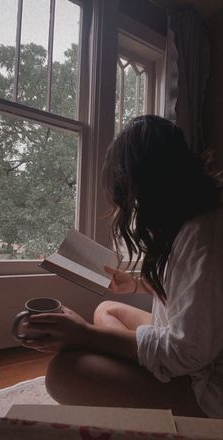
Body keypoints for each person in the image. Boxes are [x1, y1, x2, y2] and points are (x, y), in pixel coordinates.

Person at [22, 115, 223, 418]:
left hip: (206, 387)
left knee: (63, 374)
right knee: (108, 310)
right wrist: (135, 283)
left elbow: (189, 353)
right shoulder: (195, 222)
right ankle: (137, 369)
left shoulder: (204, 234)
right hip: (196, 355)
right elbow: (198, 291)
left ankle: (138, 374)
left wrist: (86, 335)